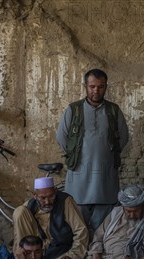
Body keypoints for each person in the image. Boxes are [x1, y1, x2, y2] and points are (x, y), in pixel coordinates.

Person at [56, 68, 129, 231]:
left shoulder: (113, 110)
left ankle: (96, 255)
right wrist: (77, 155)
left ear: (106, 87)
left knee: (101, 227)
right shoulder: (73, 110)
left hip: (105, 178)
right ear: (85, 86)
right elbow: (61, 138)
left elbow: (123, 138)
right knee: (78, 227)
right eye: (92, 86)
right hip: (79, 178)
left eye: (101, 86)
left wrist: (106, 155)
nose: (96, 90)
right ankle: (79, 256)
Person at [12, 176, 89, 259]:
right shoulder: (29, 205)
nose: (47, 202)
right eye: (42, 198)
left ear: (56, 191)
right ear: (35, 195)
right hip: (37, 250)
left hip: (61, 250)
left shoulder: (66, 201)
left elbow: (81, 231)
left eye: (51, 196)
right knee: (19, 211)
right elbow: (18, 235)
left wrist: (73, 256)